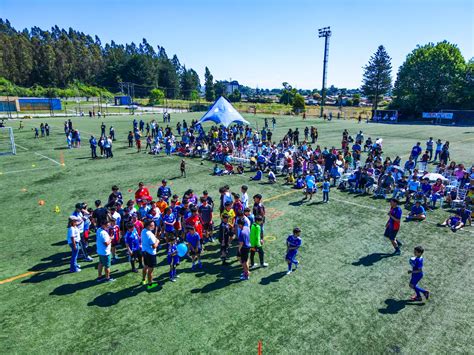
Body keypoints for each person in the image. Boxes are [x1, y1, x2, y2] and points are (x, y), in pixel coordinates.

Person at [141, 219, 159, 289]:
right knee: (150, 270)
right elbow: (154, 246)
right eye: (152, 225)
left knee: (145, 266)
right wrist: (158, 241)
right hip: (150, 254)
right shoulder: (149, 234)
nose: (154, 226)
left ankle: (143, 280)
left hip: (144, 252)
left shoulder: (143, 231)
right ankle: (150, 284)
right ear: (148, 226)